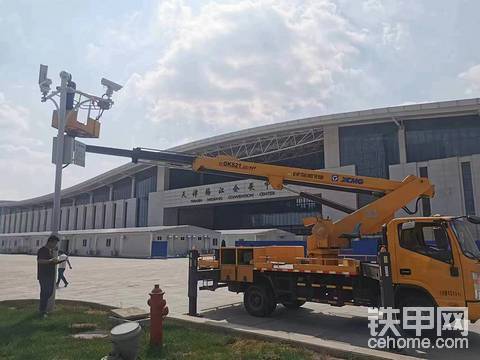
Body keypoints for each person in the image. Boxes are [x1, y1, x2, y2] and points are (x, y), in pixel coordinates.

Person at [37, 235, 62, 318]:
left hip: (50, 275)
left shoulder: (50, 251)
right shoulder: (42, 250)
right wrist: (51, 260)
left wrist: (56, 261)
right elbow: (40, 261)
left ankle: (43, 309)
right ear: (50, 242)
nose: (55, 245)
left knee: (49, 292)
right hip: (44, 275)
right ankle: (42, 311)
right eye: (55, 243)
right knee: (45, 293)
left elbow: (50, 262)